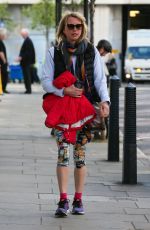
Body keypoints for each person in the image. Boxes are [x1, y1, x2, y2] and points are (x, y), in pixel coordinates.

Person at [41, 11, 110, 217]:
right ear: (63, 28)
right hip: (63, 113)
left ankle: (78, 199)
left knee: (80, 157)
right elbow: (45, 80)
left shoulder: (91, 51)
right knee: (63, 156)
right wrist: (64, 91)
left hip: (84, 112)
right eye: (70, 26)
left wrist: (105, 101)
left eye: (78, 26)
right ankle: (63, 200)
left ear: (83, 29)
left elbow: (99, 79)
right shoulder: (54, 52)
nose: (74, 30)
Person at [17, 28, 36, 94]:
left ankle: (28, 90)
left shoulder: (27, 41)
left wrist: (21, 57)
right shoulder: (27, 40)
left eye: (22, 34)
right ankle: (28, 89)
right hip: (26, 62)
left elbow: (27, 53)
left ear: (26, 34)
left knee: (27, 76)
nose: (21, 35)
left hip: (26, 63)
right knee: (26, 76)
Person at [0, 28, 9, 94]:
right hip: (2, 62)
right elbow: (1, 52)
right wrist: (4, 60)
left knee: (4, 75)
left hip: (2, 62)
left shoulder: (1, 41)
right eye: (4, 35)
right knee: (4, 75)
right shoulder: (0, 42)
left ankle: (3, 88)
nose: (5, 36)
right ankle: (3, 88)